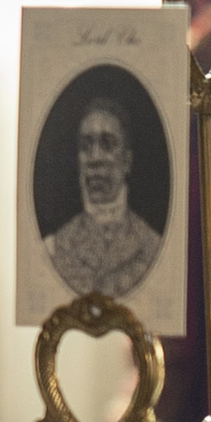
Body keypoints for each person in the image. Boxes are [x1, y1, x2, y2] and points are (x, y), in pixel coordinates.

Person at [42, 97, 161, 298]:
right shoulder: (52, 249)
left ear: (127, 161)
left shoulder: (153, 248)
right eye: (86, 146)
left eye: (107, 144)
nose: (95, 158)